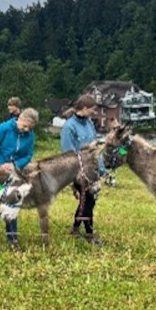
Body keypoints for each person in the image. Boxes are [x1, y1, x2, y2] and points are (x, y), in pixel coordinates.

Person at [0, 107, 38, 250]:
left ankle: (12, 239)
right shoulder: (3, 128)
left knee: (12, 203)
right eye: (24, 126)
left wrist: (16, 166)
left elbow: (28, 155)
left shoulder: (30, 135)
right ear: (19, 119)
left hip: (14, 175)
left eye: (29, 128)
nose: (26, 130)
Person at [60, 94, 104, 246]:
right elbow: (68, 153)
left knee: (88, 202)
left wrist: (102, 170)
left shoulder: (89, 123)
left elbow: (95, 149)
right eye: (92, 109)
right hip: (78, 170)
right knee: (88, 201)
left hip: (92, 169)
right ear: (84, 108)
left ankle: (76, 228)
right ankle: (90, 234)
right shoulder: (69, 127)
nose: (94, 111)